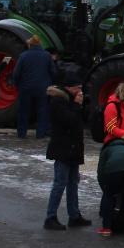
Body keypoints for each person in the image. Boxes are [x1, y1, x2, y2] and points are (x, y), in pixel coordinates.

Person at [44, 69, 92, 230]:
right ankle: (50, 217)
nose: (80, 91)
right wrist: (77, 105)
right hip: (63, 148)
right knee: (60, 183)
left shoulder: (69, 101)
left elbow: (80, 120)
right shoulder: (58, 101)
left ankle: (74, 215)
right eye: (78, 88)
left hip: (72, 148)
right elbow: (69, 120)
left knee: (73, 183)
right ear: (70, 88)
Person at [11, 35, 56, 139]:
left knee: (23, 111)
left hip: (26, 88)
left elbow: (16, 73)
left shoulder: (23, 56)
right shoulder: (47, 55)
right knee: (42, 111)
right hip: (43, 88)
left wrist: (17, 85)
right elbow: (53, 72)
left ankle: (22, 133)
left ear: (30, 44)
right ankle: (40, 134)